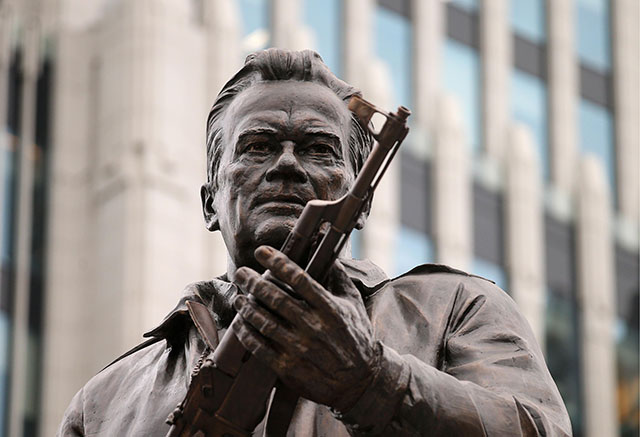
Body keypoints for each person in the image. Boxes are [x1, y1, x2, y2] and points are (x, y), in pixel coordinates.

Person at [59, 49, 572, 436]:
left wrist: (373, 382)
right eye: (257, 147)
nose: (285, 164)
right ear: (209, 202)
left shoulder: (455, 310)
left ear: (362, 201)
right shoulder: (105, 403)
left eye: (318, 149)